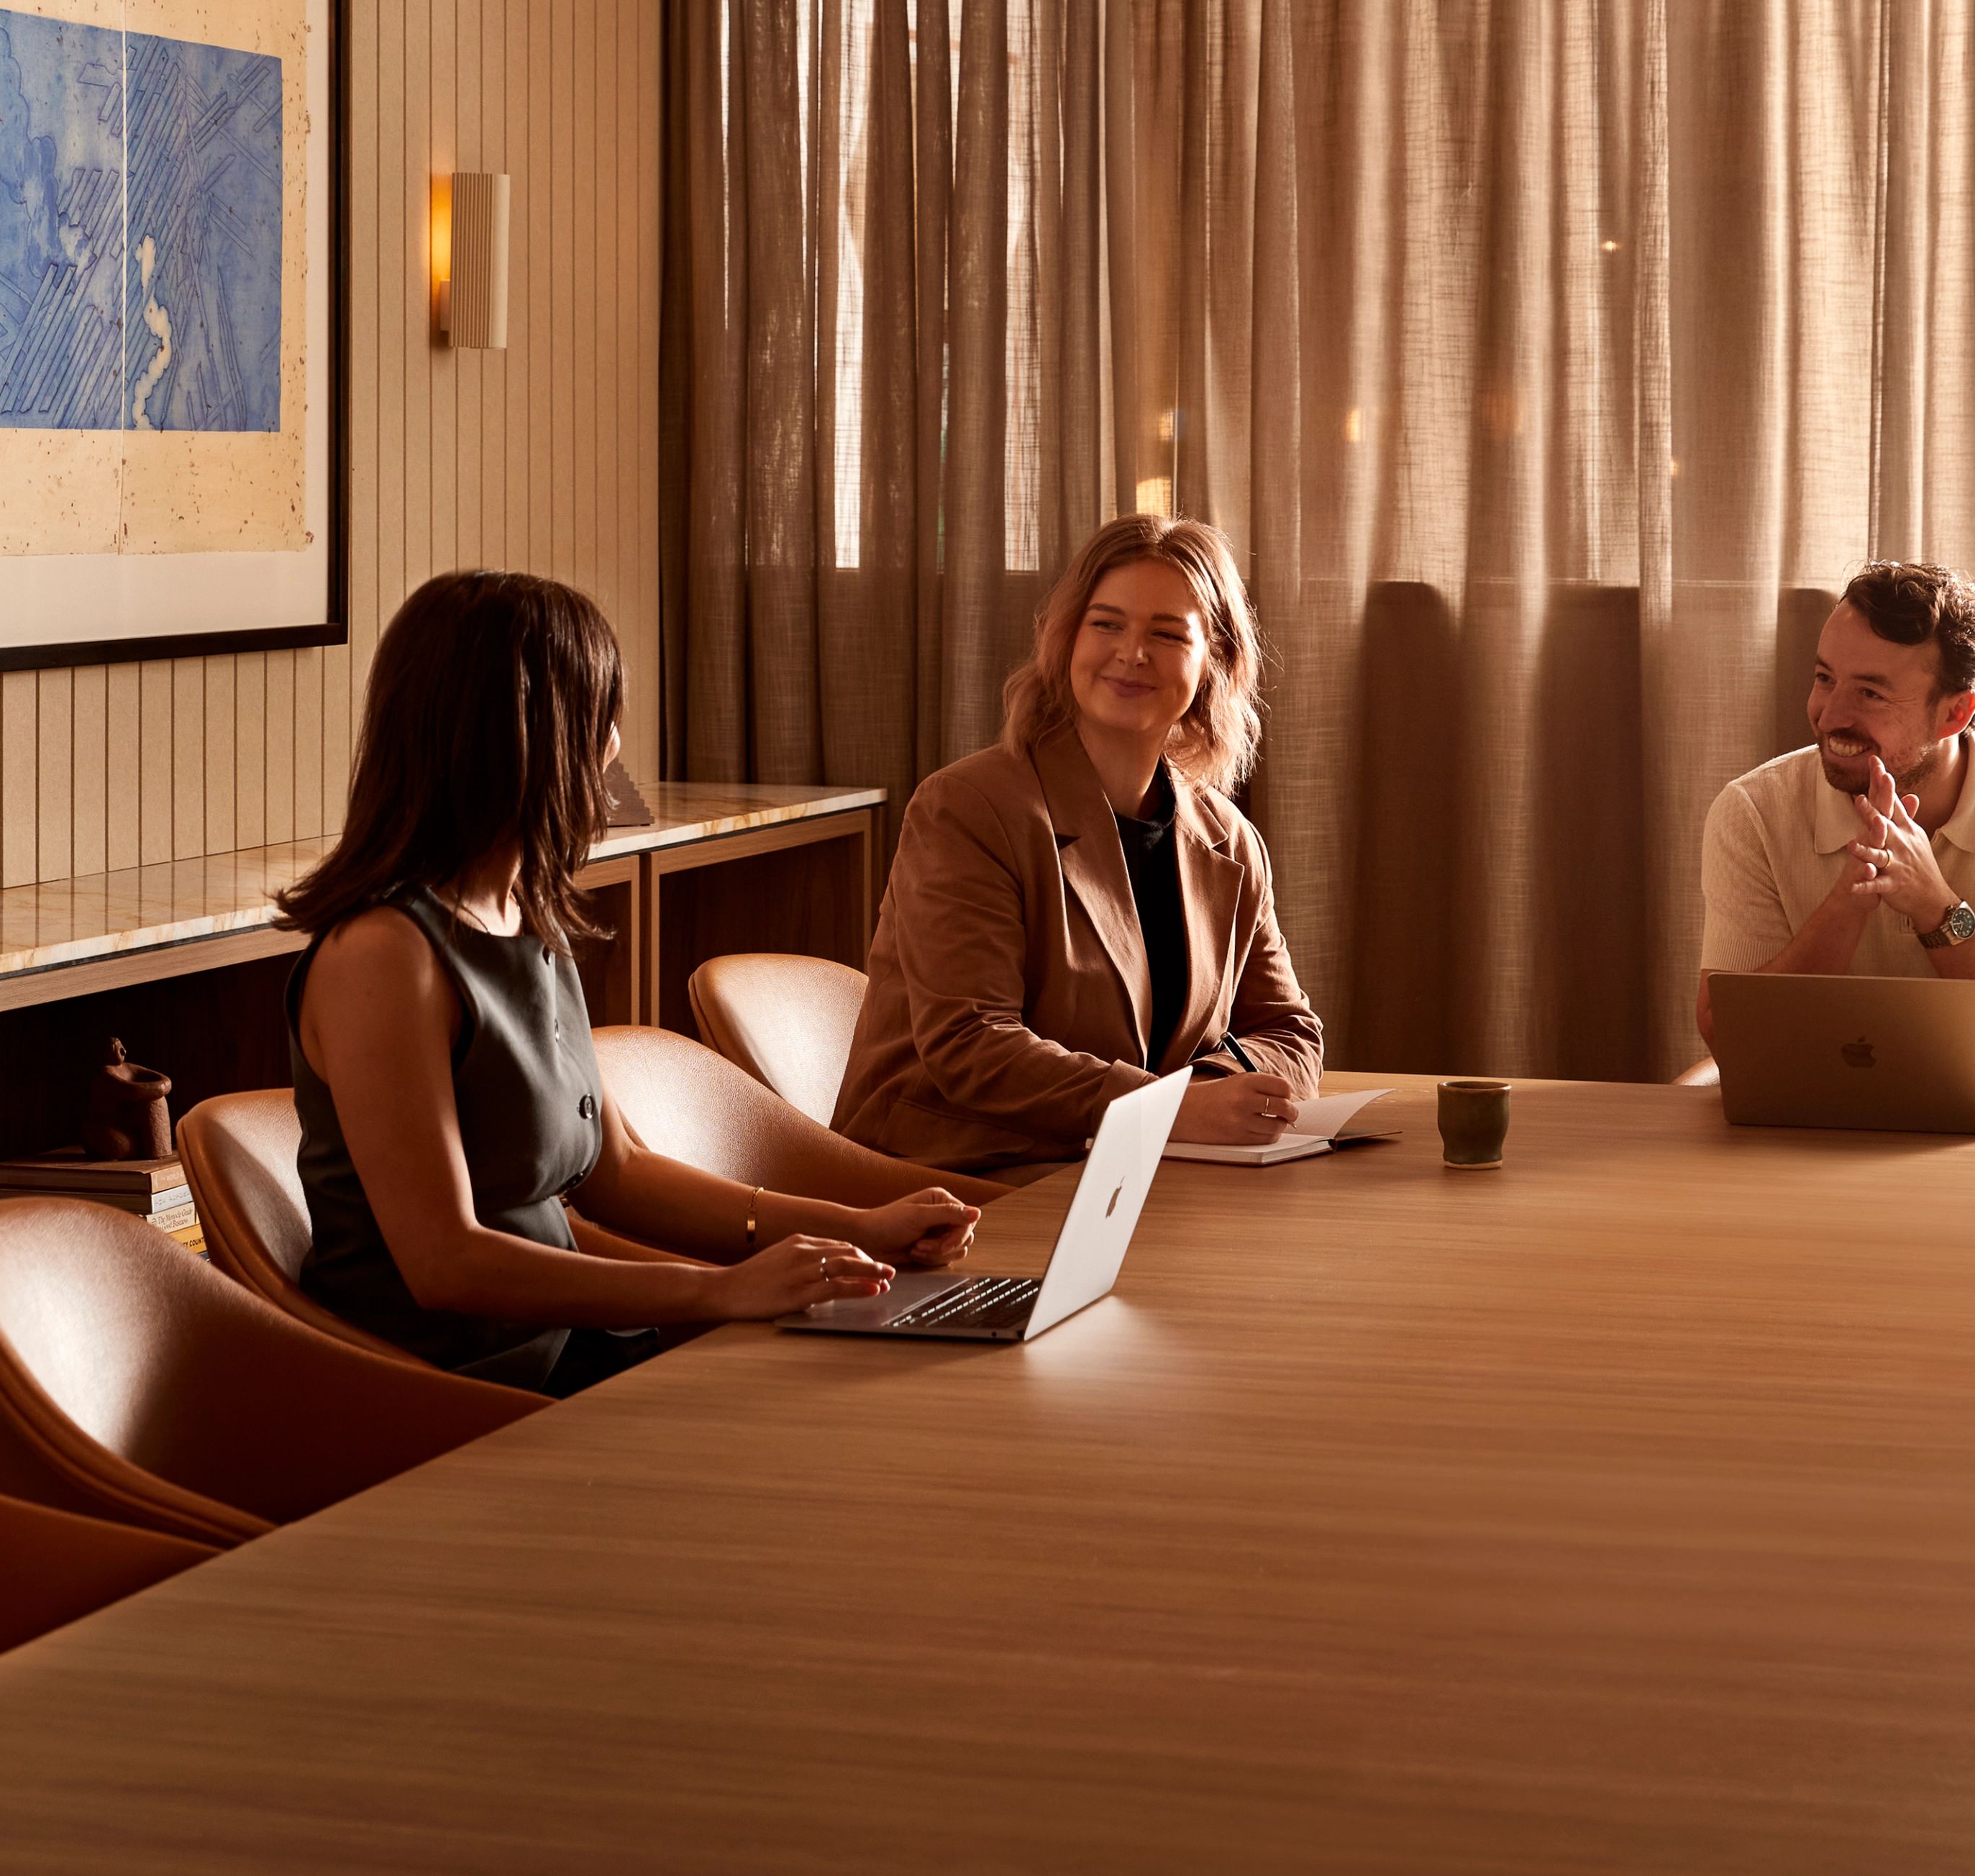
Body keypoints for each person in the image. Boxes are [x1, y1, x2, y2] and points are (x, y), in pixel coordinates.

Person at [279, 572, 982, 1397]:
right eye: (599, 717)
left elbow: (617, 1173)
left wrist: (860, 1230)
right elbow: (445, 1263)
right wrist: (718, 1293)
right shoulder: (384, 955)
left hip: (570, 1347)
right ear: (525, 734)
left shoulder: (522, 913)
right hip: (461, 1387)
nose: (613, 745)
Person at [834, 511, 1326, 1173]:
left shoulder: (1230, 841)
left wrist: (1201, 1098)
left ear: (1214, 661)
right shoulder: (969, 808)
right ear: (1066, 638)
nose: (1132, 653)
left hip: (1128, 1174)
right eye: (1107, 624)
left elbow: (1289, 1032)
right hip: (954, 1181)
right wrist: (1167, 1111)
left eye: (1167, 633)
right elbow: (971, 1043)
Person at [1695, 560, 1975, 1104]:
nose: (1830, 715)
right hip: (1815, 1124)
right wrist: (1847, 905)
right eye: (1825, 679)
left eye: (1870, 693)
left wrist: (1938, 911)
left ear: (1955, 713)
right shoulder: (1752, 812)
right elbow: (1730, 1042)